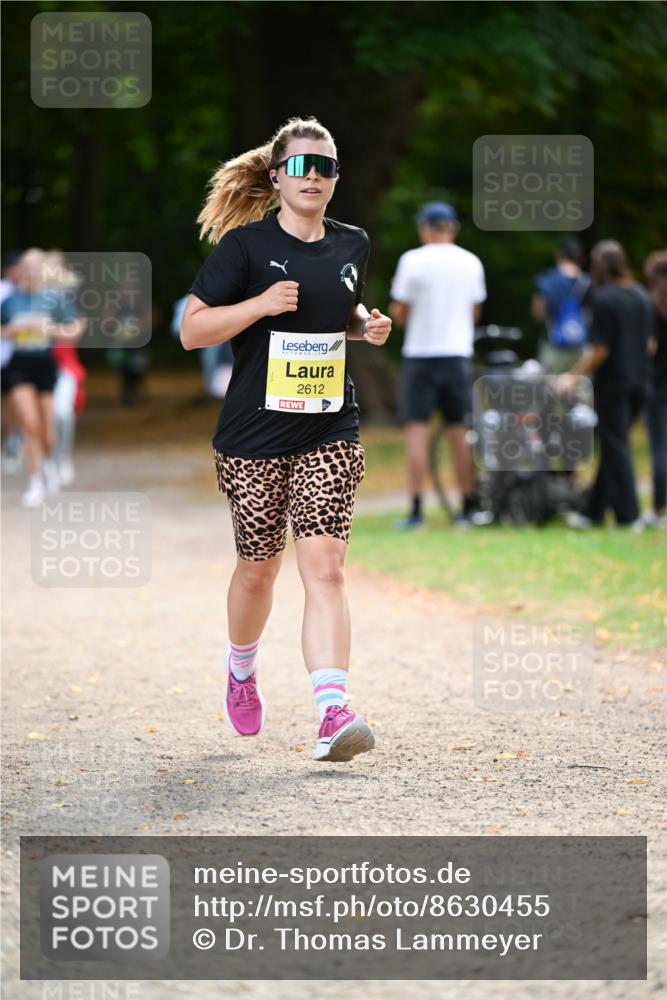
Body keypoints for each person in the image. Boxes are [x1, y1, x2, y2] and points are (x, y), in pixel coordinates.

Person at [181, 116, 391, 762]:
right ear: (276, 176)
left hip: (328, 425)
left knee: (323, 564)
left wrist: (363, 326)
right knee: (258, 567)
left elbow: (338, 306)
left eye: (324, 167)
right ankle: (241, 669)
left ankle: (333, 711)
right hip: (251, 434)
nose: (313, 177)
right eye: (301, 166)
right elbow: (192, 331)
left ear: (335, 179)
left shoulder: (352, 244)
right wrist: (259, 306)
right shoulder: (242, 250)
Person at [389, 201, 487, 528]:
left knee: (417, 430)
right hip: (457, 352)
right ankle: (467, 507)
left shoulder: (412, 261)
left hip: (420, 353)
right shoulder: (471, 262)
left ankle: (416, 510)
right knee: (460, 430)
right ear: (453, 227)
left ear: (427, 228)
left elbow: (399, 312)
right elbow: (475, 312)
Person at [558, 240, 653, 528]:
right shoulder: (640, 294)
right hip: (642, 381)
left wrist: (572, 376)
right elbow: (651, 343)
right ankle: (593, 511)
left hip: (615, 383)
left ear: (599, 266)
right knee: (614, 445)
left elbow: (600, 349)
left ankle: (629, 515)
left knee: (616, 445)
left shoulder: (604, 299)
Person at [0, 249, 82, 506]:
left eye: (38, 267)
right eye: (29, 267)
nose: (33, 272)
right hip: (20, 365)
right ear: (22, 270)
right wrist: (14, 328)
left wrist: (51, 329)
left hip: (45, 364)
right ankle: (34, 481)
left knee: (47, 431)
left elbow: (77, 326)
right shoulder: (11, 300)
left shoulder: (54, 298)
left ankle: (48, 464)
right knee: (30, 423)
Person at [44, 250, 87, 485]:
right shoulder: (29, 295)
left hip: (63, 360)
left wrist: (51, 330)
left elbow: (78, 327)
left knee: (63, 413)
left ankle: (63, 456)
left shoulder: (70, 294)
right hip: (36, 361)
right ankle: (47, 460)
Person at [531, 237, 591, 376]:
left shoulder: (547, 280)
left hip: (553, 346)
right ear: (580, 257)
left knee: (550, 392)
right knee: (578, 392)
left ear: (559, 254)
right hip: (581, 348)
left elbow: (537, 313)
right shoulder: (588, 282)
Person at [643, 250, 667, 527]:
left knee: (660, 446)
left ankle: (659, 506)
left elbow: (650, 348)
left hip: (658, 383)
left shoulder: (652, 307)